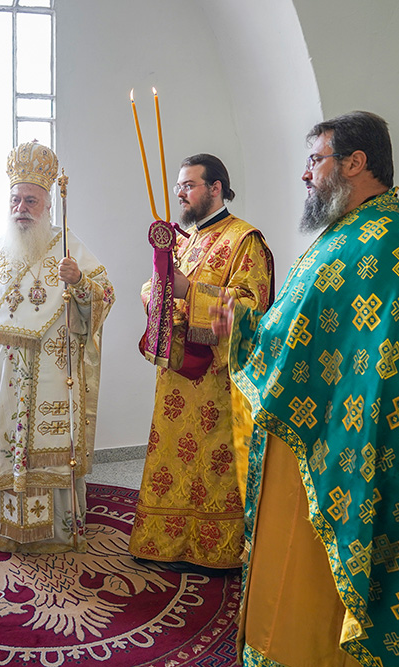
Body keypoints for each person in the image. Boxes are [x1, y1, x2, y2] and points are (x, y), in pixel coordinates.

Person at [215, 112, 399, 665]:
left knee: (310, 573)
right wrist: (246, 323)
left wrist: (246, 329)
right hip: (312, 423)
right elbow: (302, 323)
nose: (307, 175)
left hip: (345, 437)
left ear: (355, 163)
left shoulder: (389, 239)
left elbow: (349, 348)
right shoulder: (351, 229)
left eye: (316, 160)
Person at [0, 141, 115, 553]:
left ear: (47, 205)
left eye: (31, 200)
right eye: (15, 199)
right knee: (7, 447)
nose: (21, 207)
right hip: (4, 375)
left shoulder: (68, 246)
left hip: (55, 371)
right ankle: (5, 530)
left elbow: (105, 295)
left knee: (51, 452)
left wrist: (78, 283)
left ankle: (57, 532)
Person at [128, 154, 274, 571]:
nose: (180, 193)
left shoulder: (245, 240)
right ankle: (164, 543)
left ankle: (213, 553)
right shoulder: (186, 240)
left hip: (216, 383)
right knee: (171, 458)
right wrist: (158, 295)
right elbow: (159, 292)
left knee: (211, 464)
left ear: (215, 188)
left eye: (189, 185)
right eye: (178, 186)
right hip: (176, 380)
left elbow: (252, 309)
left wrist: (188, 289)